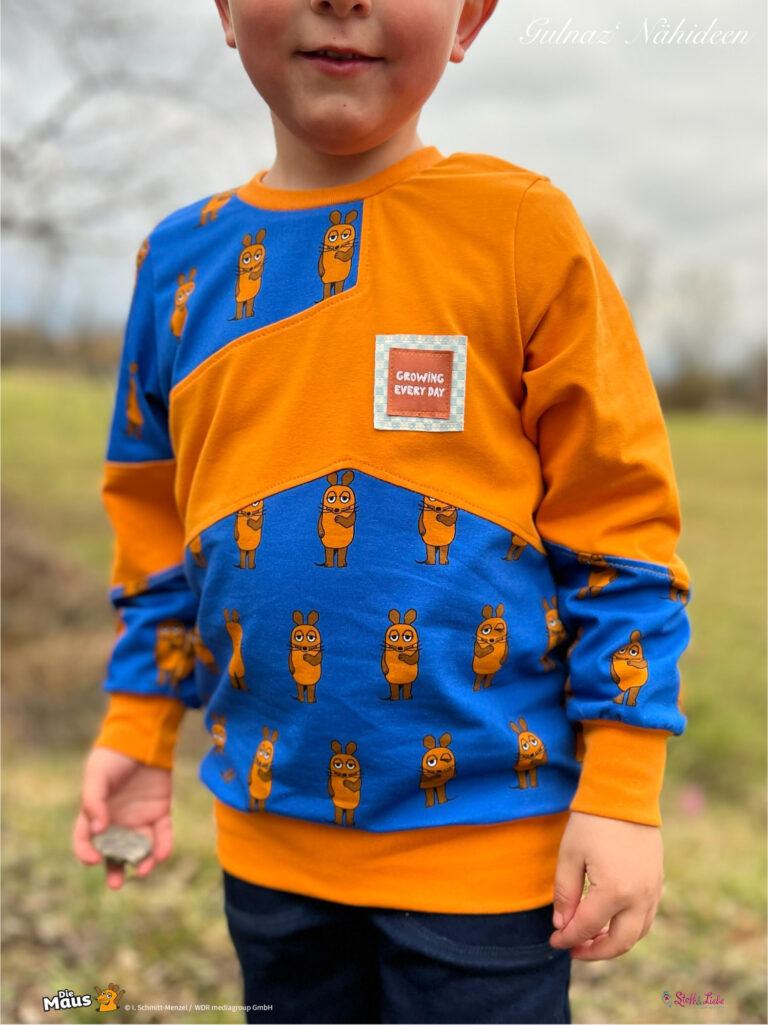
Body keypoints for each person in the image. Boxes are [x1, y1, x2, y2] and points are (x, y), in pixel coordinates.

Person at [73, 1, 691, 1022]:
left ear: (469, 18)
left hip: (490, 852)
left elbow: (618, 523)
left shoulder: (518, 230)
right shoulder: (176, 265)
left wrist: (623, 786)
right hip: (266, 847)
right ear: (223, 9)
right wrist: (139, 728)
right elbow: (154, 529)